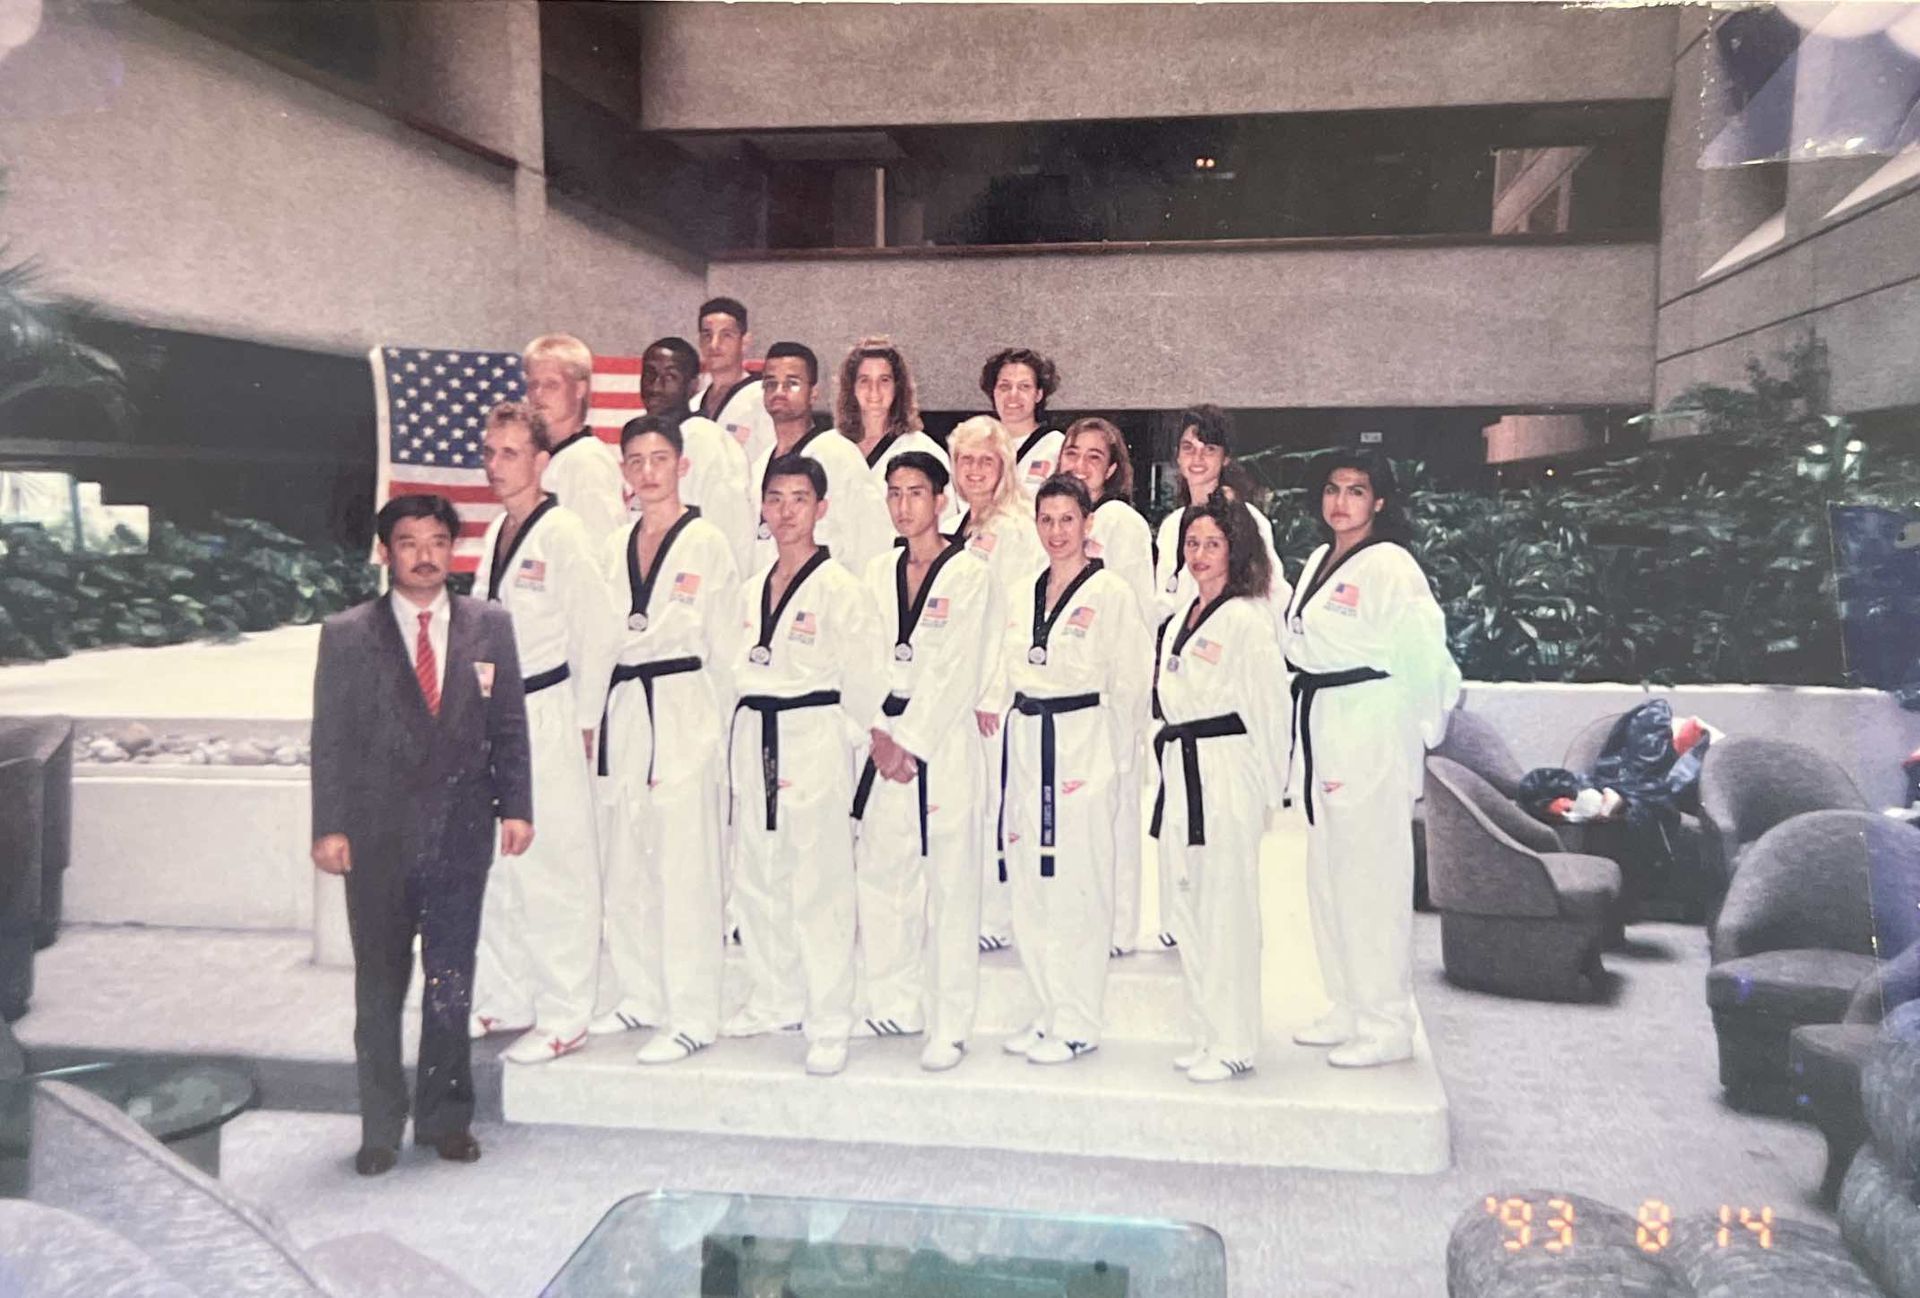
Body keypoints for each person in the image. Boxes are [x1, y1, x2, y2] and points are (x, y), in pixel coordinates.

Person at [310, 493, 532, 1176]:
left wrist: (516, 806)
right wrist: (330, 826)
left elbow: (509, 727)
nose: (425, 555)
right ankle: (380, 1126)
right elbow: (332, 739)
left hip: (460, 834)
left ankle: (445, 1117)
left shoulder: (488, 626)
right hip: (376, 839)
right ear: (386, 552)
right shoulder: (348, 634)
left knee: (450, 982)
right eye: (409, 542)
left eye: (438, 541)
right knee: (378, 985)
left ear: (452, 549)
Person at [1281, 448, 1461, 1069]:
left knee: (1371, 879)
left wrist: (1415, 736)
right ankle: (1347, 1005)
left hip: (1371, 724)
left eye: (1356, 491)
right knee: (1328, 874)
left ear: (1379, 502)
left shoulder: (1392, 566)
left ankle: (1385, 1021)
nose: (1340, 502)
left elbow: (1425, 658)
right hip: (1325, 720)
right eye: (1332, 489)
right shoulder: (1313, 562)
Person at [722, 454, 888, 1076]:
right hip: (754, 732)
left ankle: (829, 1018)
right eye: (775, 498)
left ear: (821, 509)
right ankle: (773, 994)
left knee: (818, 881)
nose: (785, 511)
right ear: (762, 509)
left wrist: (838, 741)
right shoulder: (746, 590)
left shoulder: (841, 588)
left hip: (813, 733)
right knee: (758, 872)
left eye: (799, 499)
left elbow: (866, 680)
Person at [467, 401, 618, 1065]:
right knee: (501, 865)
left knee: (556, 865)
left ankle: (564, 1013)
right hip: (495, 717)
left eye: (510, 453)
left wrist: (586, 718)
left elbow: (599, 628)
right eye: (491, 452)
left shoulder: (563, 534)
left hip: (548, 710)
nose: (497, 465)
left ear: (541, 460)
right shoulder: (499, 531)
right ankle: (507, 994)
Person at [591, 414, 740, 1064]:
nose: (648, 471)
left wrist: (722, 736)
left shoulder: (706, 542)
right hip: (625, 708)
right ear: (624, 473)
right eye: (636, 461)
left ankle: (692, 1014)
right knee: (627, 858)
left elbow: (719, 641)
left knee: (685, 864)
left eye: (659, 458)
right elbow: (599, 636)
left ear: (681, 466)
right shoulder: (611, 545)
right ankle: (640, 993)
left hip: (683, 707)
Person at [854, 452, 1001, 1071]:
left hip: (940, 743)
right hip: (885, 738)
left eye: (916, 492)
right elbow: (858, 657)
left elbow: (956, 669)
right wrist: (880, 734)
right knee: (883, 875)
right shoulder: (874, 570)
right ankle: (892, 1000)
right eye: (894, 493)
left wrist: (910, 741)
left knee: (950, 882)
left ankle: (949, 1021)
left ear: (942, 500)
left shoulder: (969, 572)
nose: (904, 504)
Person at [996, 474, 1150, 1064]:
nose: (1057, 532)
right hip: (1028, 735)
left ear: (1089, 524)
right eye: (1047, 519)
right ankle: (1046, 1009)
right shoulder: (1022, 589)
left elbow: (1132, 684)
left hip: (1082, 741)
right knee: (1033, 883)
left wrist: (1112, 759)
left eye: (1068, 519)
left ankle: (1080, 1019)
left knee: (1078, 884)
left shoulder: (1110, 593)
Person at [1152, 492, 1288, 1083]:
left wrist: (1265, 792)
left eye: (1212, 544)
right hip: (1182, 767)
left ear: (1236, 551)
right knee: (1189, 902)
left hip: (1226, 769)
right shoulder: (1184, 615)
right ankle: (1207, 1030)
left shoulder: (1247, 619)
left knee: (1227, 906)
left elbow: (1271, 711)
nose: (1200, 555)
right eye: (1192, 544)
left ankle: (1235, 1042)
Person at [947, 415, 1046, 953]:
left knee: (999, 805)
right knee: (973, 802)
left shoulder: (1013, 528)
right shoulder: (967, 526)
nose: (977, 471)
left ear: (1005, 467)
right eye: (967, 461)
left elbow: (1014, 617)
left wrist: (994, 693)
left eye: (988, 460)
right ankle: (977, 906)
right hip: (961, 689)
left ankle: (999, 915)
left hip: (994, 696)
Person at [1059, 416, 1155, 957]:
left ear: (1113, 469)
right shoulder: (1055, 519)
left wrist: (1130, 701)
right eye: (1073, 452)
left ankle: (1119, 927)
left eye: (1093, 457)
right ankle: (1085, 918)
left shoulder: (1119, 522)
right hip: (1070, 697)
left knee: (1116, 809)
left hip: (1115, 692)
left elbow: (1136, 615)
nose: (1079, 463)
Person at [745, 341, 891, 576]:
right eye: (771, 384)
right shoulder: (760, 463)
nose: (779, 392)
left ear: (813, 393)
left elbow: (872, 540)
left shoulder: (836, 453)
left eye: (792, 383)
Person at [1153, 404, 1290, 630]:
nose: (1197, 458)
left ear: (1225, 458)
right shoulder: (1171, 526)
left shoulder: (1247, 519)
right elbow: (1165, 599)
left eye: (1209, 449)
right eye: (1188, 448)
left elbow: (1272, 595)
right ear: (1177, 456)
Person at [639, 335, 755, 574]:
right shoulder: (645, 443)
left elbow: (728, 534)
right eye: (649, 374)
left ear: (693, 386)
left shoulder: (706, 441)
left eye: (670, 376)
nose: (655, 385)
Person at [522, 334, 627, 547]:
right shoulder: (549, 459)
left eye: (551, 385)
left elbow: (600, 553)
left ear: (580, 389)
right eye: (533, 385)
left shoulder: (587, 462)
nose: (538, 394)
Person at [833, 335, 951, 488]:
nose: (874, 390)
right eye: (864, 380)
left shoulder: (924, 449)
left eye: (884, 380)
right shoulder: (827, 448)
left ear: (898, 387)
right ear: (851, 387)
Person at [691, 297, 775, 466]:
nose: (714, 344)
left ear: (745, 341)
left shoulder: (762, 398)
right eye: (707, 335)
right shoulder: (694, 403)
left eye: (726, 335)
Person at [980, 348, 1065, 497]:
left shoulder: (1056, 446)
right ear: (993, 392)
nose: (1013, 395)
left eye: (1024, 386)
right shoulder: (975, 445)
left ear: (1038, 394)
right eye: (1004, 386)